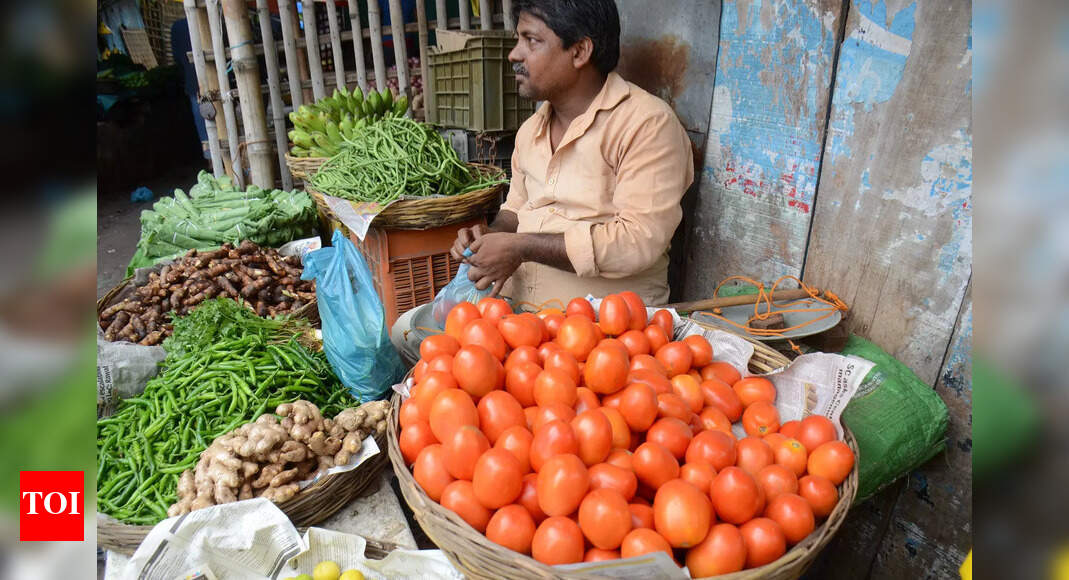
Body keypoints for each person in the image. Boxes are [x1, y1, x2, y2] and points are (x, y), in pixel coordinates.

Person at [451, 0, 694, 307]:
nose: (515, 54)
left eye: (532, 40)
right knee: (405, 331)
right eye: (518, 39)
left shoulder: (647, 124)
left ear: (580, 51)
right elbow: (515, 210)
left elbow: (637, 241)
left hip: (604, 328)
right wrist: (490, 237)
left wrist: (521, 248)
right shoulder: (530, 131)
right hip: (516, 318)